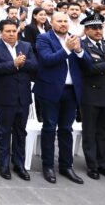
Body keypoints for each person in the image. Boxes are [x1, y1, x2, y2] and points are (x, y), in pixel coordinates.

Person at [34, 12, 89, 184]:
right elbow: (47, 59)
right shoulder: (43, 39)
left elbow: (87, 63)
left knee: (66, 129)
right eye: (59, 21)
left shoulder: (74, 39)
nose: (63, 24)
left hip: (71, 91)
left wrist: (79, 50)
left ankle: (66, 166)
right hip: (50, 90)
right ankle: (48, 166)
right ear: (51, 23)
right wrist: (67, 49)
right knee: (49, 127)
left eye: (66, 21)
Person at [0, 19, 38, 180]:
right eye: (7, 31)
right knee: (4, 131)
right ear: (1, 32)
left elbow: (34, 65)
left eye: (13, 31)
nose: (11, 34)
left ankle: (19, 164)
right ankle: (4, 164)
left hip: (23, 96)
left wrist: (21, 64)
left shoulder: (26, 46)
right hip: (4, 96)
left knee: (20, 131)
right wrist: (14, 64)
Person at [76, 13, 105, 181]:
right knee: (90, 132)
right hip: (91, 94)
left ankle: (104, 165)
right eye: (94, 28)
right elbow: (88, 69)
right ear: (86, 30)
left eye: (100, 27)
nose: (98, 31)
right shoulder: (82, 47)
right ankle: (93, 165)